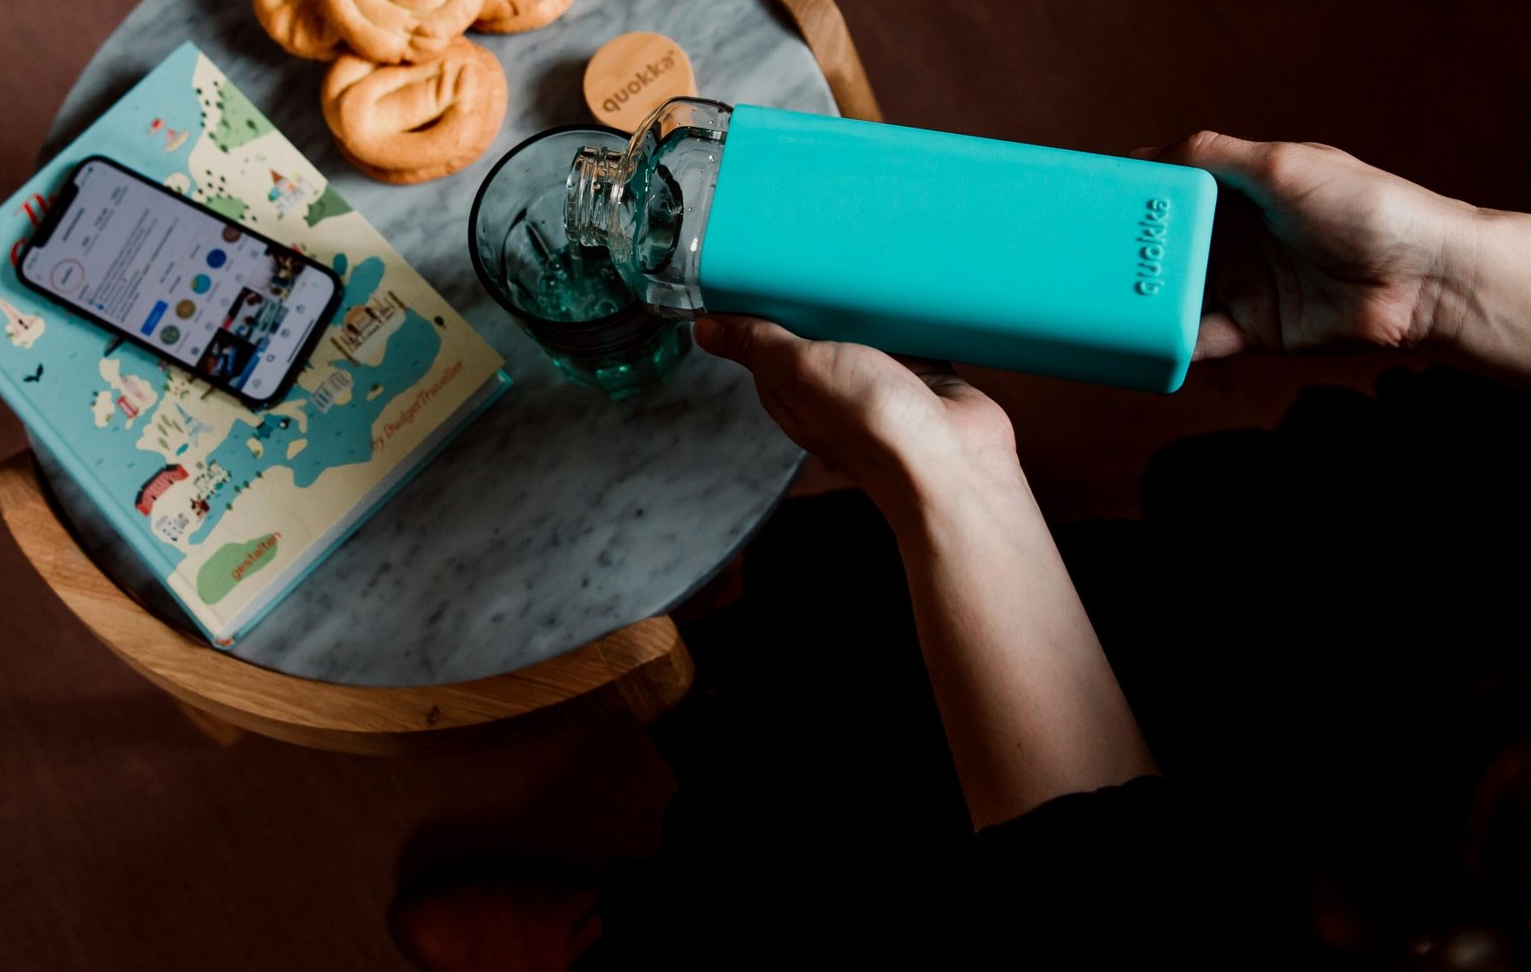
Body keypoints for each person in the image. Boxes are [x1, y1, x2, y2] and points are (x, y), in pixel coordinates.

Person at [391, 132, 1531, 971]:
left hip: (1194, 865)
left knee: (852, 898)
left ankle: (648, 941)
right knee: (846, 666)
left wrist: (953, 478)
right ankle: (694, 873)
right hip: (1369, 573)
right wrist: (1447, 275)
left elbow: (1106, 923)